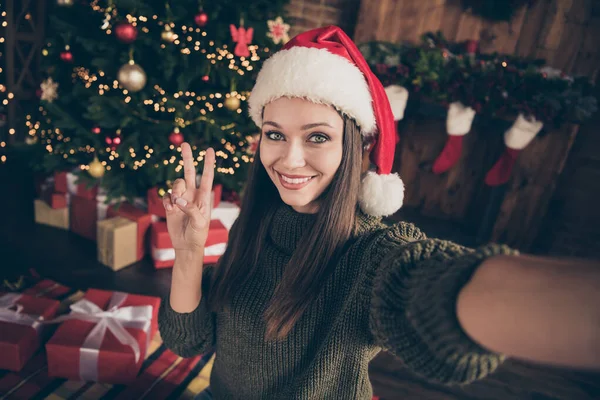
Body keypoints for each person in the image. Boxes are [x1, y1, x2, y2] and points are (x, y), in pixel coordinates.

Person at [158, 26, 600, 399]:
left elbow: (435, 286)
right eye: (275, 134)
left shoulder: (371, 254)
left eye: (317, 137)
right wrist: (190, 251)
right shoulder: (257, 225)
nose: (289, 160)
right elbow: (188, 339)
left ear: (359, 147)